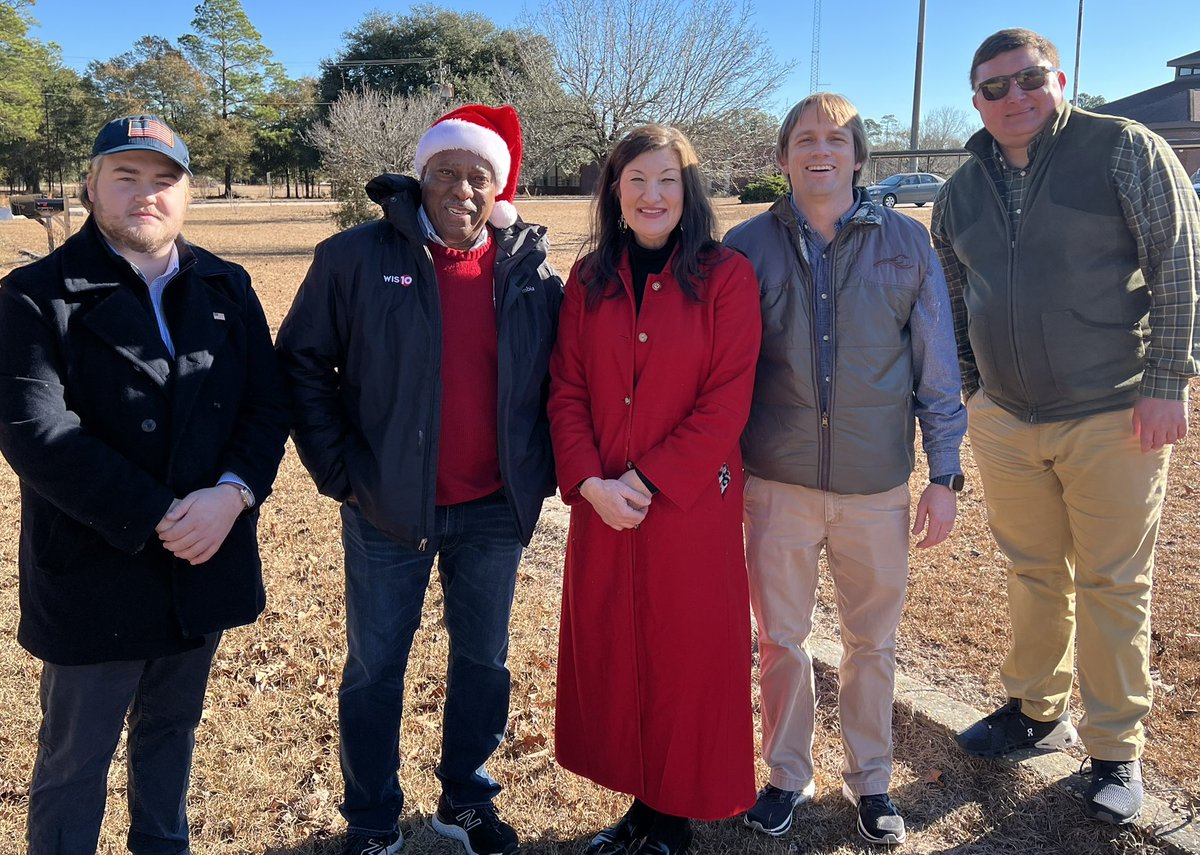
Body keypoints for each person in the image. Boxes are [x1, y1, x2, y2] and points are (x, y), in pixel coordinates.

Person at [276, 104, 563, 855]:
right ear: (420, 175)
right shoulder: (352, 258)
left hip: (494, 509)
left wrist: (544, 471)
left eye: (478, 176)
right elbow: (301, 363)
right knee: (375, 666)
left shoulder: (532, 270)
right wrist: (339, 470)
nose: (461, 189)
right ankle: (371, 818)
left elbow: (564, 379)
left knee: (484, 661)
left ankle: (465, 800)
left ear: (498, 187)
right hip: (388, 507)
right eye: (446, 172)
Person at [931, 28, 1200, 825]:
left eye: (1028, 80)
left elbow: (1180, 260)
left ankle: (1117, 748)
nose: (1013, 98)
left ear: (1060, 77)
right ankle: (1036, 710)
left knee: (1114, 581)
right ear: (975, 98)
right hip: (1008, 419)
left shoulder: (1124, 148)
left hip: (1114, 410)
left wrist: (1168, 381)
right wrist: (974, 393)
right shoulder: (962, 188)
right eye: (993, 88)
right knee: (1032, 569)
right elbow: (949, 293)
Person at [0, 115, 289, 855]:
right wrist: (158, 512)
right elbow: (37, 432)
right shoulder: (34, 297)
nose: (146, 195)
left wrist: (233, 492)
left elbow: (266, 406)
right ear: (90, 185)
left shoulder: (228, 286)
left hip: (204, 558)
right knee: (74, 763)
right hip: (96, 571)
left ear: (186, 194)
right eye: (125, 177)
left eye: (164, 180)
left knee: (171, 734)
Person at [724, 93, 966, 847]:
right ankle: (785, 774)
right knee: (781, 640)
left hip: (875, 488)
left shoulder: (907, 244)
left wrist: (944, 474)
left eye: (836, 138)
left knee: (873, 642)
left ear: (860, 155)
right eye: (804, 138)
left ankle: (871, 779)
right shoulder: (743, 247)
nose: (819, 149)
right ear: (782, 157)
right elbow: (722, 371)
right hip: (777, 483)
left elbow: (937, 368)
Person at [548, 124, 761, 855]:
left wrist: (647, 478)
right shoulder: (588, 279)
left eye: (666, 178)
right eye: (636, 178)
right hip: (604, 504)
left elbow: (726, 402)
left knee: (684, 655)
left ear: (687, 189)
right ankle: (642, 803)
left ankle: (673, 817)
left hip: (689, 504)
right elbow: (566, 389)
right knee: (620, 652)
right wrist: (588, 482)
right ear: (614, 190)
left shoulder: (725, 276)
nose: (651, 194)